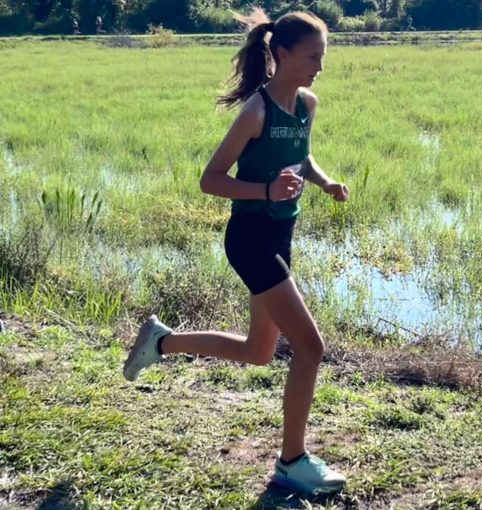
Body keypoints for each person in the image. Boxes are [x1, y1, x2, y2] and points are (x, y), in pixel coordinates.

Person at [123, 8, 350, 496]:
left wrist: (324, 181)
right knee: (309, 347)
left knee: (258, 351)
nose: (319, 67)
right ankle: (291, 461)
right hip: (249, 241)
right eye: (312, 57)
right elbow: (211, 180)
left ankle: (160, 343)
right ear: (282, 54)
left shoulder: (307, 105)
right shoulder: (255, 111)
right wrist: (266, 191)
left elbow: (300, 155)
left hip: (280, 237)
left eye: (323, 57)